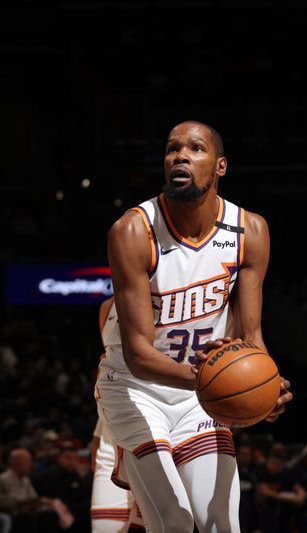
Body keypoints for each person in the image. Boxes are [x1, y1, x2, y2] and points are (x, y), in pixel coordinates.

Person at [96, 120, 293, 532]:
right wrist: (211, 379)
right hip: (135, 389)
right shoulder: (133, 231)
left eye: (195, 149)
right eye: (172, 149)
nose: (180, 156)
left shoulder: (249, 230)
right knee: (175, 521)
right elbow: (138, 354)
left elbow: (251, 338)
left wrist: (265, 384)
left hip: (195, 396)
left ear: (219, 167)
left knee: (219, 521)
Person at [91, 297, 144, 532]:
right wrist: (97, 438)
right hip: (111, 438)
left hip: (154, 433)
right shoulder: (107, 307)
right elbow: (108, 370)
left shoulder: (175, 294)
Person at [0, 447, 63, 532]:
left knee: (51, 512)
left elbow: (34, 497)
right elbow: (15, 502)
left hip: (29, 513)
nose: (32, 465)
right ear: (17, 463)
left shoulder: (25, 479)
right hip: (15, 516)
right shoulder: (4, 479)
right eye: (28, 461)